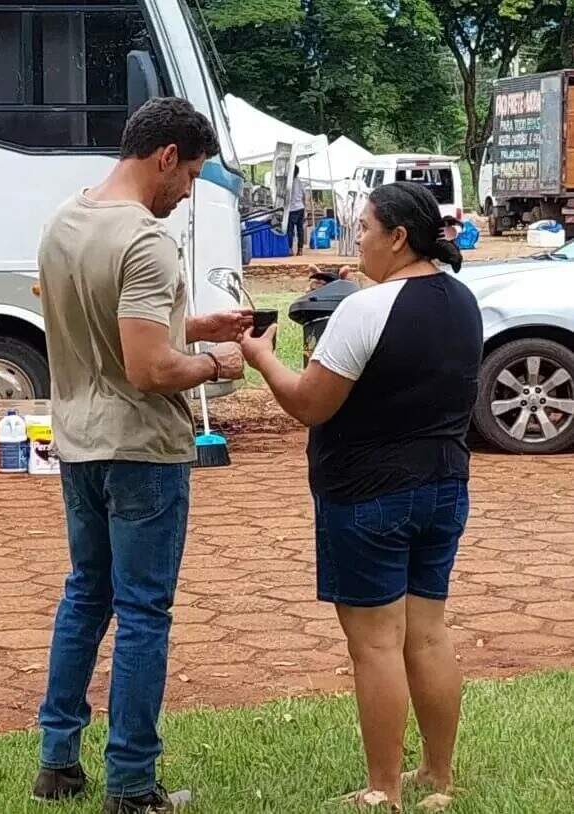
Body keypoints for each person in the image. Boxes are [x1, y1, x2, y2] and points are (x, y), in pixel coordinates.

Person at [33, 97, 251, 814]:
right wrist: (217, 360)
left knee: (85, 595)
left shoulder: (66, 220)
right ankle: (132, 783)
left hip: (78, 443)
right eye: (190, 172)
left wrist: (189, 322)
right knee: (143, 611)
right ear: (165, 157)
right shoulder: (149, 241)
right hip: (142, 451)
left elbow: (106, 322)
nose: (188, 189)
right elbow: (149, 369)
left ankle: (57, 761)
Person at [241, 182, 482, 811]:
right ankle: (439, 777)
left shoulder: (363, 310)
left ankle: (384, 788)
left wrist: (261, 358)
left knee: (376, 644)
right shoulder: (463, 301)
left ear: (398, 237)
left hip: (368, 494)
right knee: (427, 634)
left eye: (365, 230)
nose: (359, 242)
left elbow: (308, 403)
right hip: (444, 487)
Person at [287, 165, 307, 256]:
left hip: (291, 209)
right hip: (300, 208)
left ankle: (290, 249)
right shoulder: (300, 182)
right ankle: (300, 250)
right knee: (300, 230)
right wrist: (305, 207)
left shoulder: (288, 183)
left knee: (290, 230)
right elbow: (304, 196)